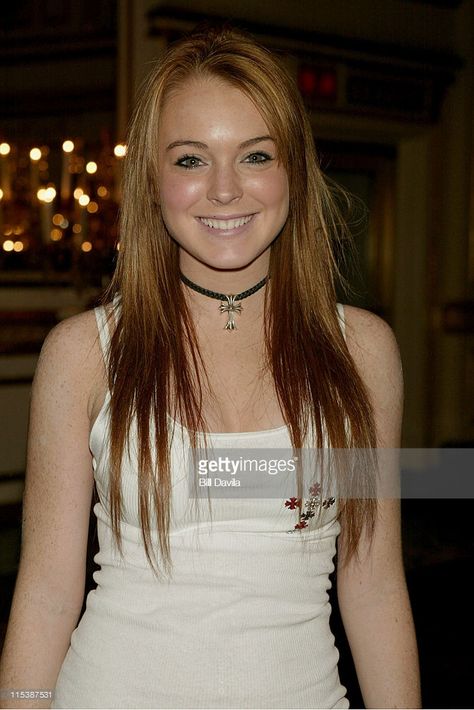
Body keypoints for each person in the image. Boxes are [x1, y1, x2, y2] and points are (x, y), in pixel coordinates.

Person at [0, 26, 421, 710]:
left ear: (293, 170)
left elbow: (371, 583)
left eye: (255, 155)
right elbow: (47, 595)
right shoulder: (82, 354)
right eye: (192, 160)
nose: (225, 190)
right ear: (154, 181)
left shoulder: (362, 353)